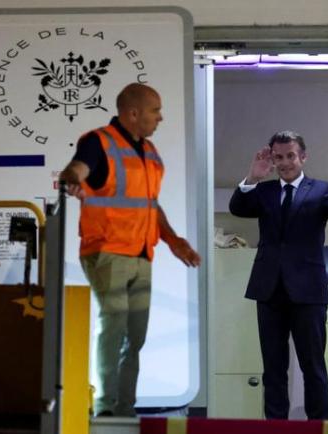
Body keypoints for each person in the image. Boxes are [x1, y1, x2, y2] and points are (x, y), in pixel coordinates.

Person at [60, 83, 201, 417]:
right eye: (155, 110)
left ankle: (124, 409)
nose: (160, 118)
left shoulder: (149, 151)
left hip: (140, 254)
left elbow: (149, 204)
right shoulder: (99, 142)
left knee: (135, 335)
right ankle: (106, 407)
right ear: (133, 113)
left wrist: (173, 240)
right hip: (106, 250)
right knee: (114, 325)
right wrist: (71, 179)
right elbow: (77, 170)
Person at [229, 130, 328, 420]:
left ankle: (318, 425)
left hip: (308, 290)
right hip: (269, 289)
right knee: (273, 367)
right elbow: (238, 208)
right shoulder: (264, 191)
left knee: (313, 366)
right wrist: (253, 177)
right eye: (278, 157)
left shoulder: (321, 190)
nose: (285, 162)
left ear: (303, 157)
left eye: (290, 156)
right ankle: (276, 426)